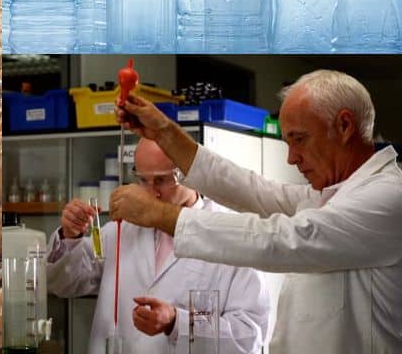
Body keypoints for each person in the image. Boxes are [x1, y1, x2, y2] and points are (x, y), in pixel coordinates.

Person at [111, 69, 402, 353]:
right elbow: (253, 189)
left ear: (344, 125)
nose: (291, 158)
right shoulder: (330, 195)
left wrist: (158, 214)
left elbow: (282, 240)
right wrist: (164, 131)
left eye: (299, 139)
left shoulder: (387, 197)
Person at [46, 138, 270, 354]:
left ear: (191, 174)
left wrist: (176, 322)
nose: (152, 192)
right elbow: (64, 284)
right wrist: (70, 236)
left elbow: (249, 336)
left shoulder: (232, 235)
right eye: (143, 180)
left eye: (162, 180)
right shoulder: (121, 228)